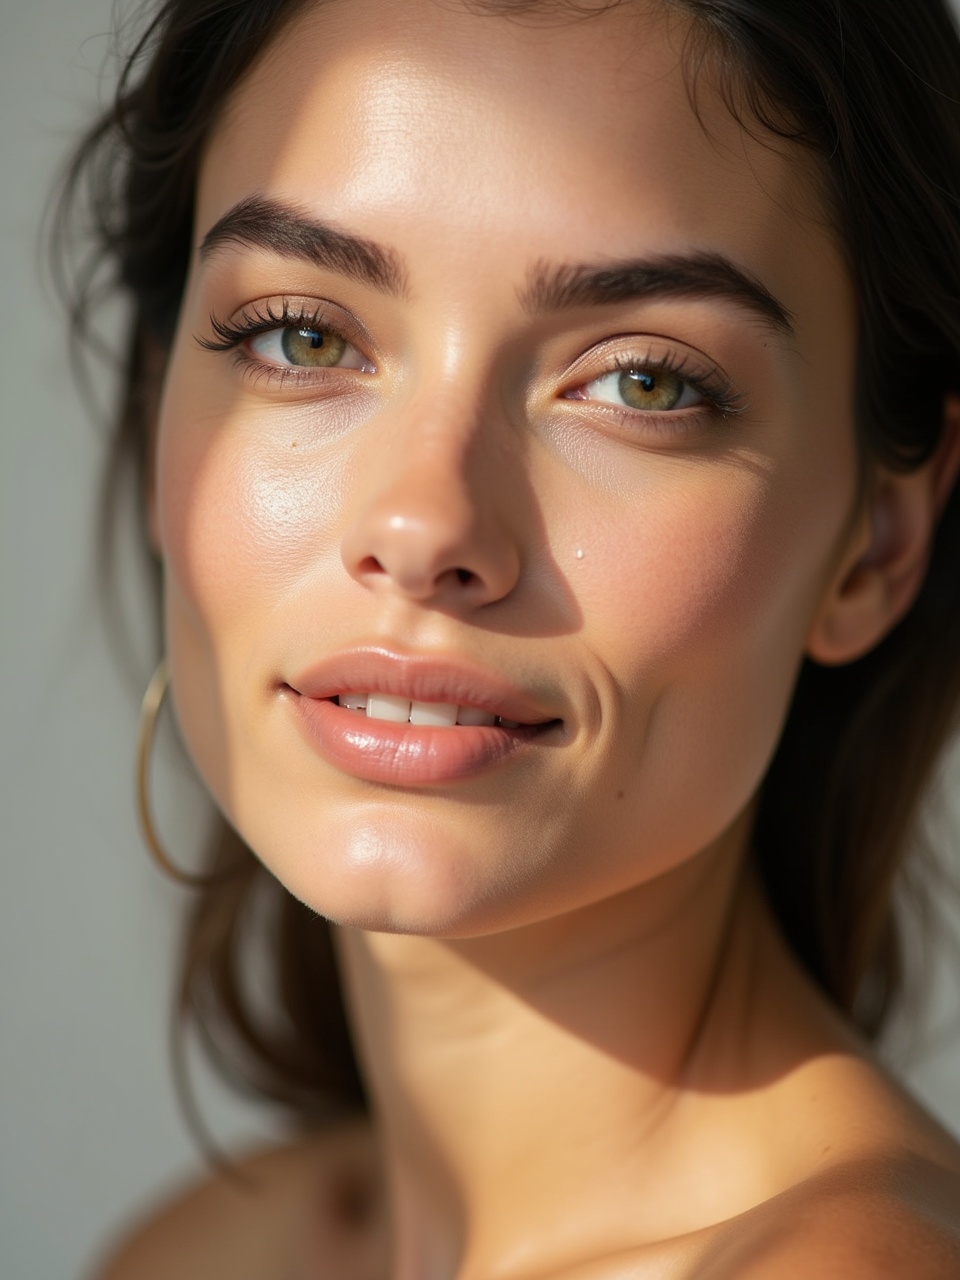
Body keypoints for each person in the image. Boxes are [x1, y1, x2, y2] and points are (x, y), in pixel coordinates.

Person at [58, 0, 960, 1274]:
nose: (425, 524)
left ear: (875, 538)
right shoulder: (202, 1251)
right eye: (303, 336)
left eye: (642, 380)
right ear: (160, 419)